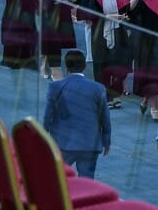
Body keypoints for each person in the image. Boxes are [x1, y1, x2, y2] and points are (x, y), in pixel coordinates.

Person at [44, 49, 113, 178]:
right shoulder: (98, 88)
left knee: (57, 178)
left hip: (63, 142)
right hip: (89, 143)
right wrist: (106, 140)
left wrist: (42, 139)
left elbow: (48, 116)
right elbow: (105, 117)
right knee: (87, 182)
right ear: (85, 66)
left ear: (66, 66)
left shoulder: (55, 87)